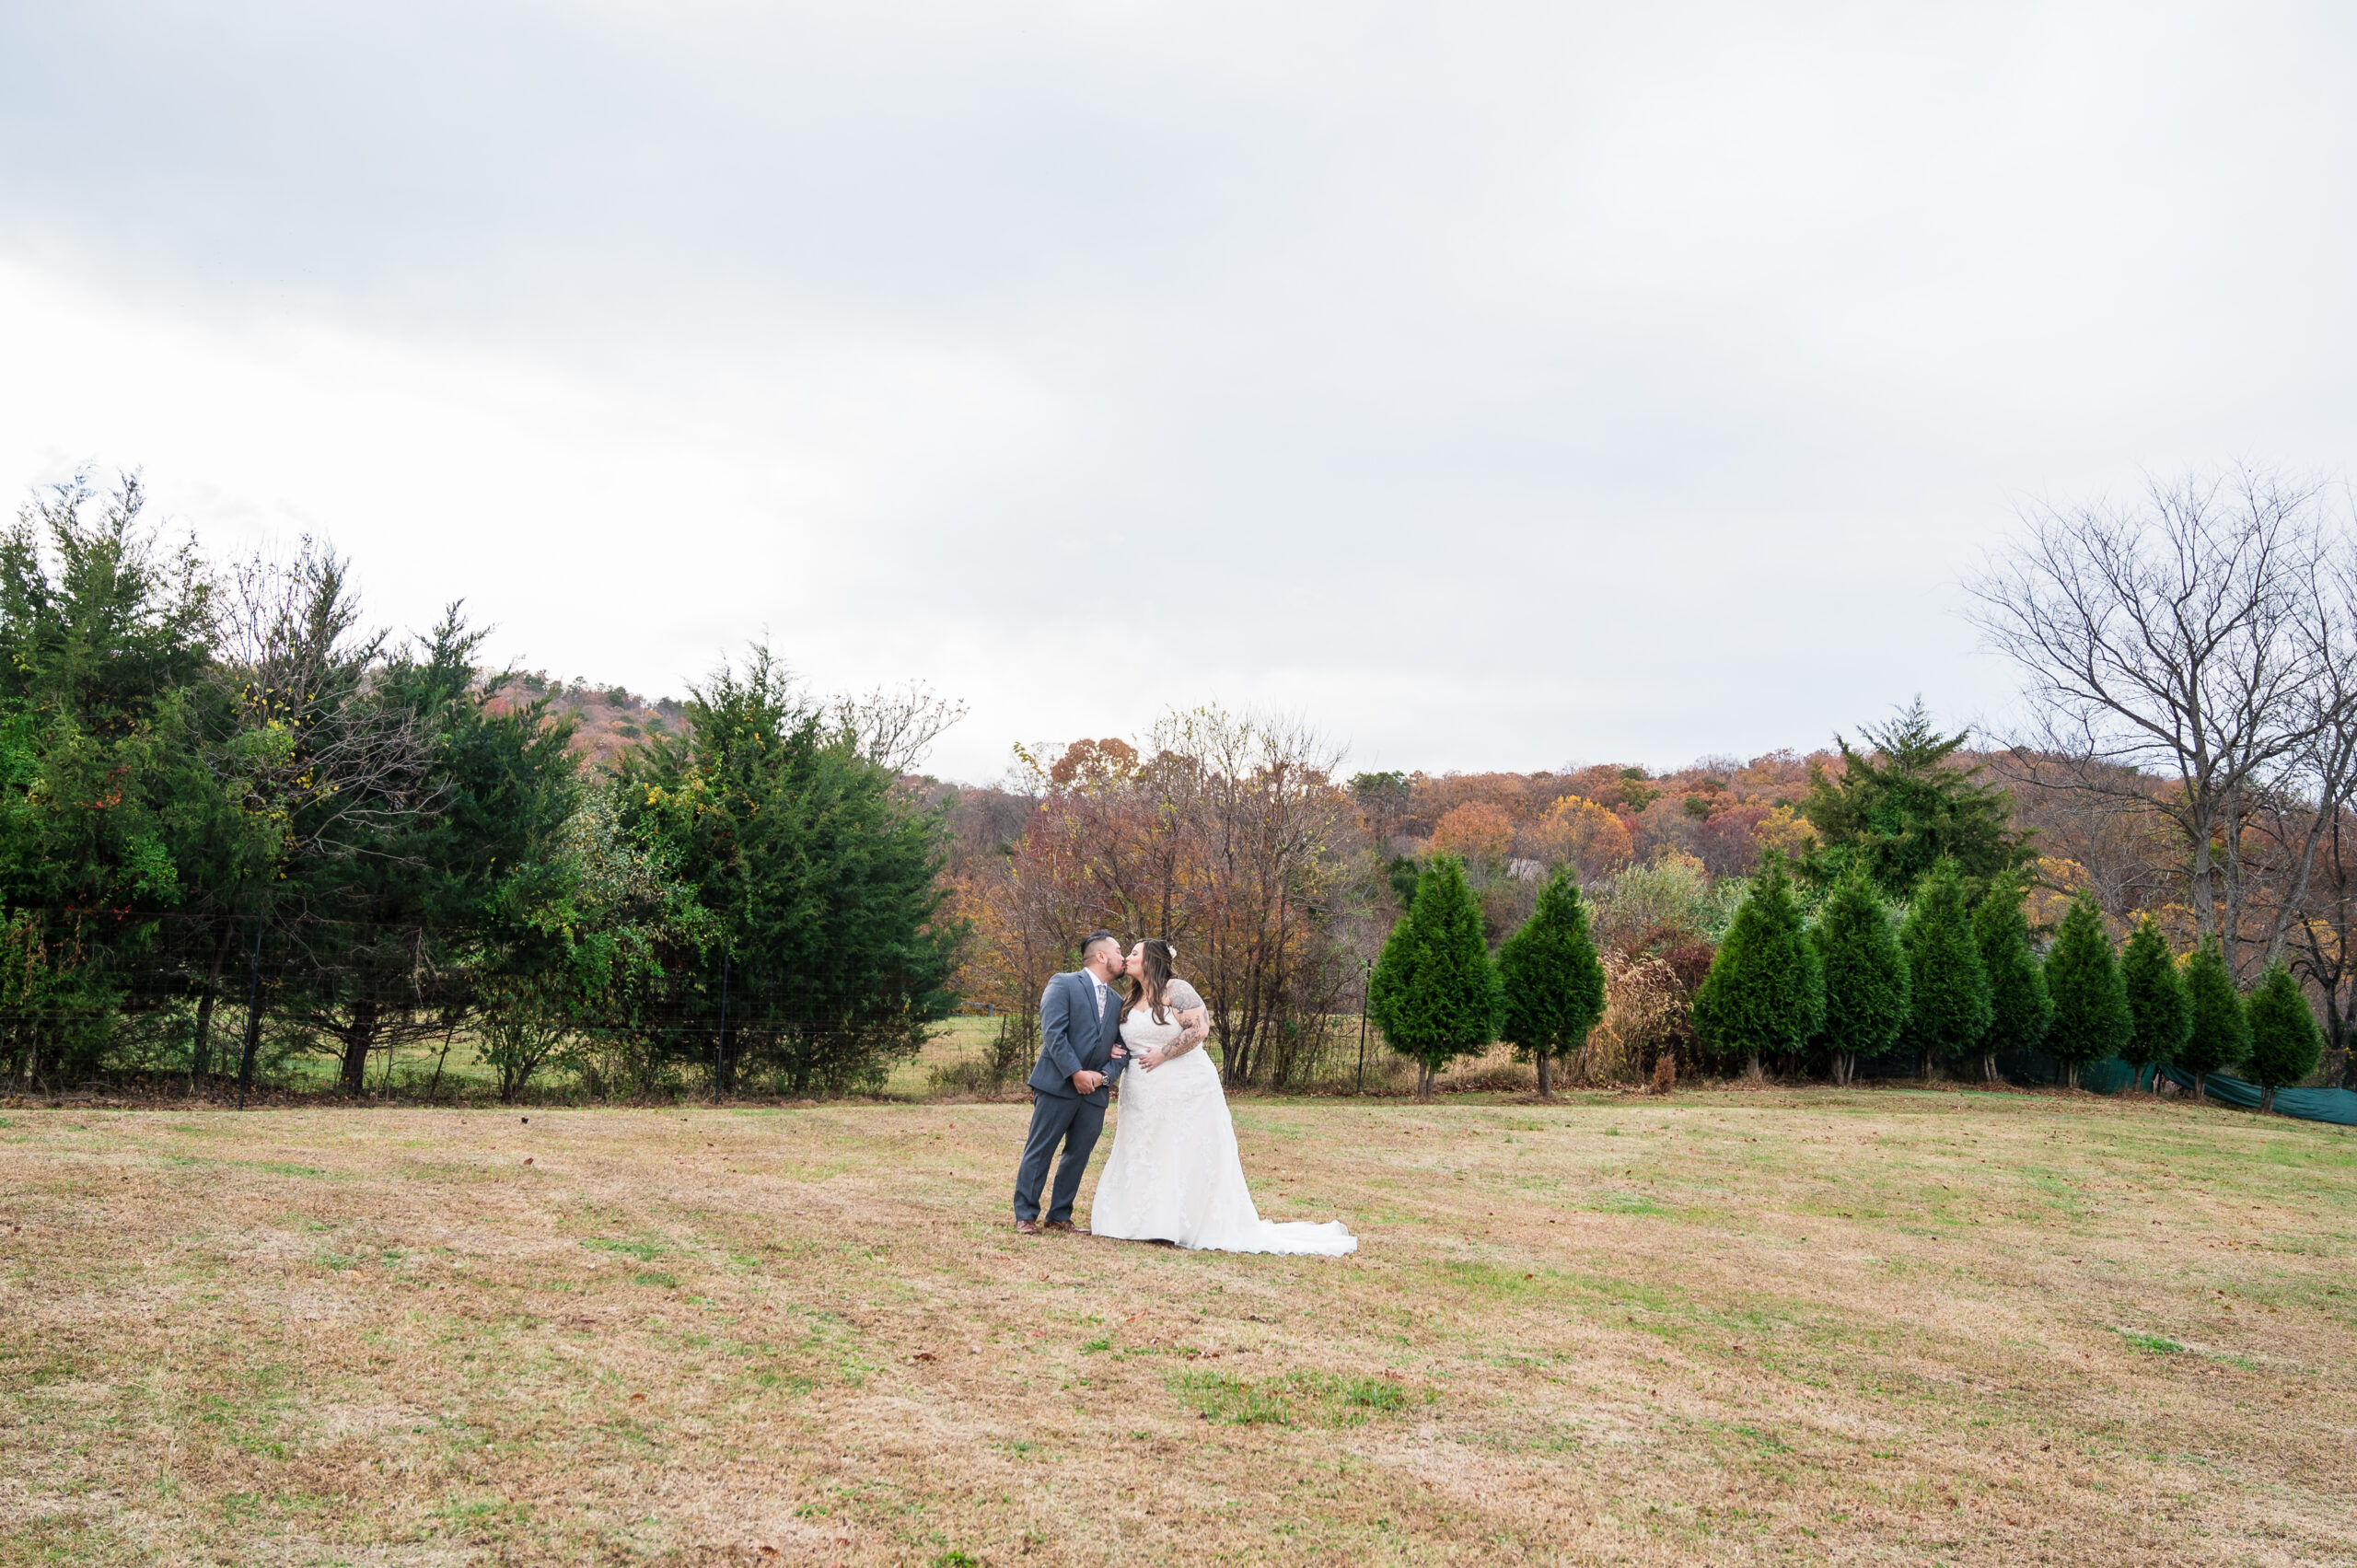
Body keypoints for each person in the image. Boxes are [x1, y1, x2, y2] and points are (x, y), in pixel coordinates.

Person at [1087, 939, 1356, 1255]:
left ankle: (1181, 1223)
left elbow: (1200, 1029)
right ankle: (1141, 1220)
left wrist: (1163, 1053)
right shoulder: (1130, 997)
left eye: (1135, 953)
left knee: (1180, 1149)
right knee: (1144, 1148)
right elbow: (1121, 1036)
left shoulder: (1176, 989)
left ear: (1153, 961)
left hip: (1185, 1087)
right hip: (1142, 1093)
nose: (1128, 958)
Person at [1010, 929, 1131, 1235]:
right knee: (1041, 1149)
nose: (1123, 957)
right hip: (1057, 1085)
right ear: (1101, 956)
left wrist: (1102, 1076)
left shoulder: (1118, 1002)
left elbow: (1122, 1049)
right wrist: (1076, 1073)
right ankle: (1026, 1214)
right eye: (1119, 950)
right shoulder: (1062, 984)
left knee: (1078, 1153)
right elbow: (1054, 1035)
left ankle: (1060, 1214)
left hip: (1094, 1093)